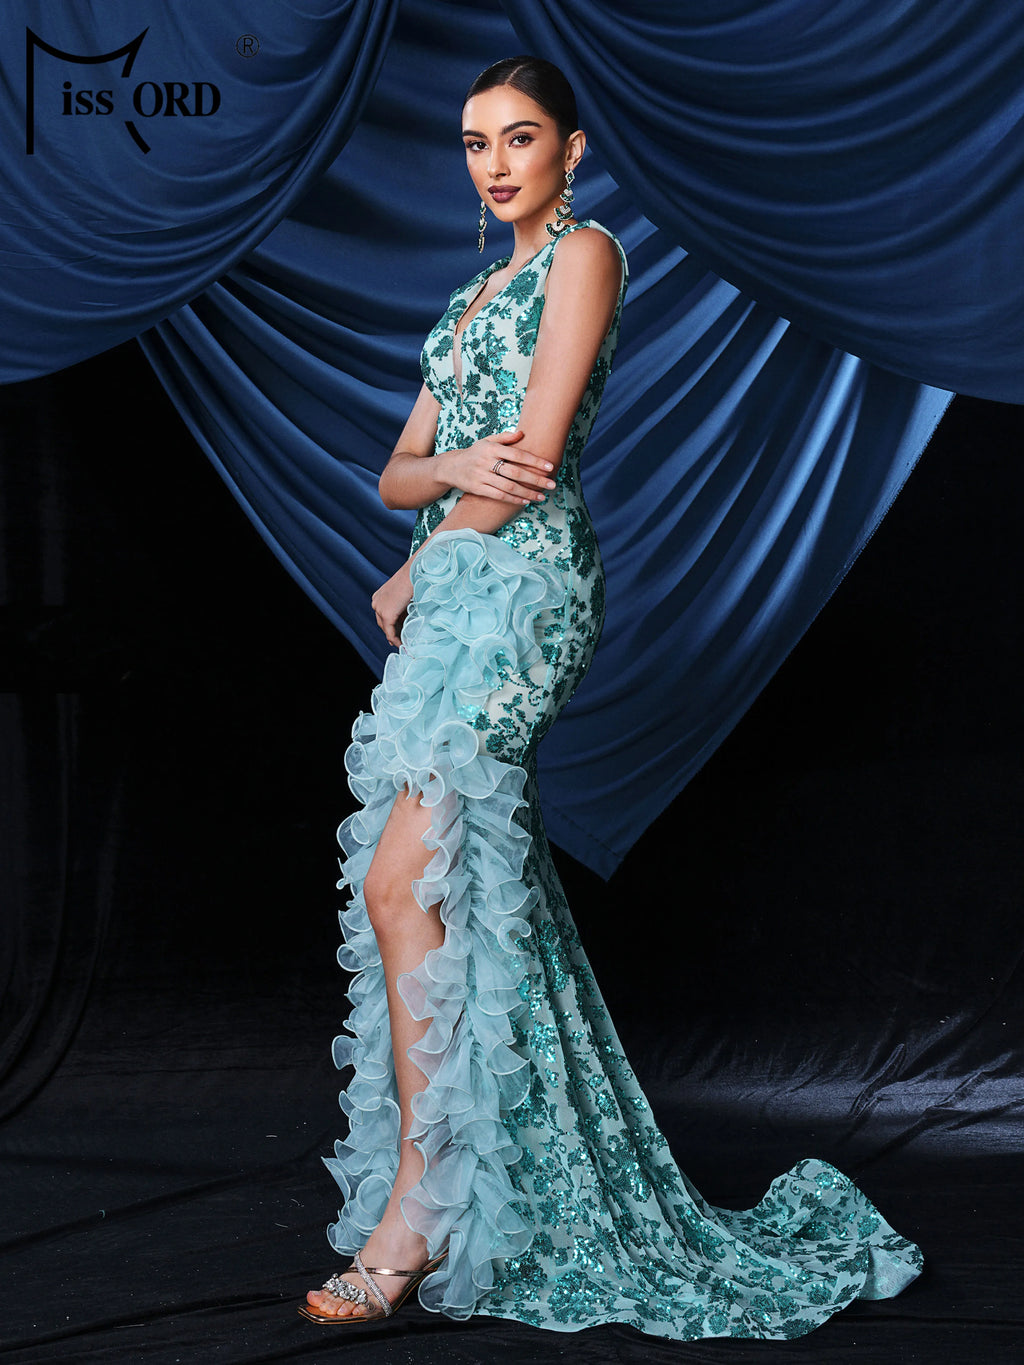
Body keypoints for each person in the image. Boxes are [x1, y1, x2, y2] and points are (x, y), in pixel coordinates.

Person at [299, 55, 923, 1339]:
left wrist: (425, 549)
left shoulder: (585, 257)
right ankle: (472, 1184)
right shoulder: (470, 295)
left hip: (522, 595)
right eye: (476, 143)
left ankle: (417, 1209)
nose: (495, 164)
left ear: (569, 151)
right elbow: (394, 472)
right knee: (447, 891)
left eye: (520, 138)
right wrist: (442, 486)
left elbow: (531, 458)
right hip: (457, 590)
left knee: (407, 881)